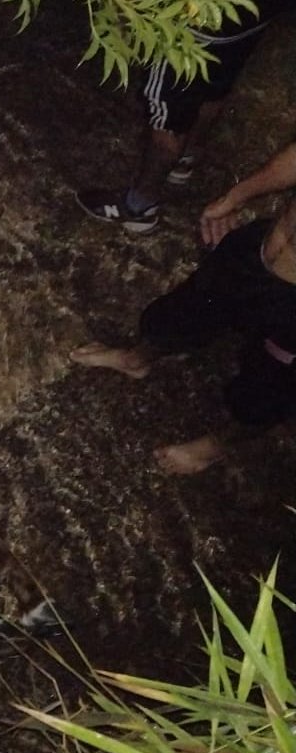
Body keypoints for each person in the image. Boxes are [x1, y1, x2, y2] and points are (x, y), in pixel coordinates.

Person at [69, 139, 296, 473]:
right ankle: (137, 359)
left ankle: (216, 447)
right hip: (262, 250)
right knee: (189, 306)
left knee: (270, 386)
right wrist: (234, 197)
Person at [76, 0, 294, 234]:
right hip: (253, 15)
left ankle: (139, 206)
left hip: (194, 23)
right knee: (215, 80)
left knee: (167, 112)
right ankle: (185, 158)